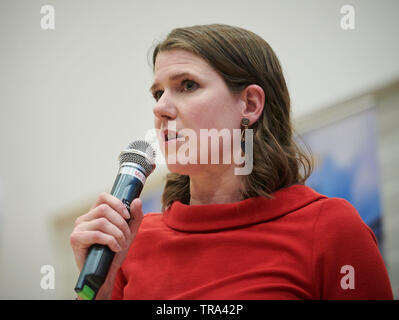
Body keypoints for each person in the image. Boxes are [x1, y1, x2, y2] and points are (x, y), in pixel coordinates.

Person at [70, 24, 393, 299]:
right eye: (158, 94)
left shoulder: (332, 228)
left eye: (187, 85)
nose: (161, 107)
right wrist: (101, 291)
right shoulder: (129, 243)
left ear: (250, 105)